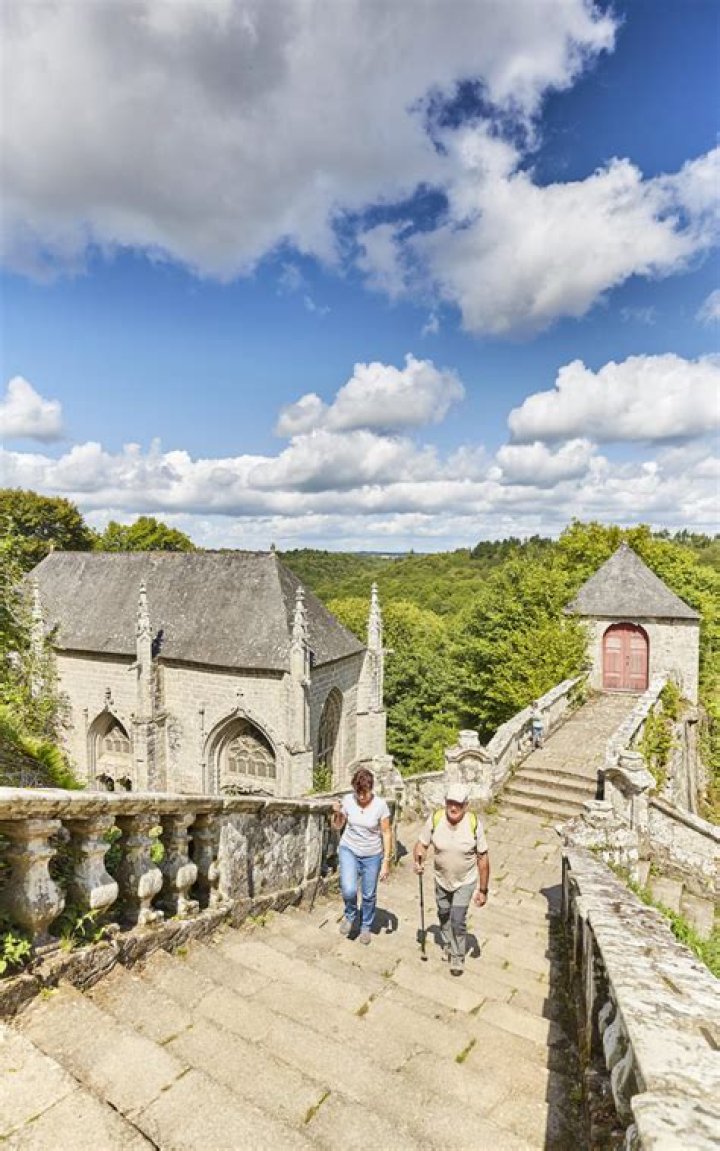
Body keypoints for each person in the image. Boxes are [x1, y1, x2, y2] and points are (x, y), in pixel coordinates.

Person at [413, 784, 489, 976]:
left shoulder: (473, 824)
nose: (453, 808)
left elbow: (483, 858)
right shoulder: (436, 819)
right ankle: (448, 942)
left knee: (457, 918)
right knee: (443, 913)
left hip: (465, 880)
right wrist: (418, 860)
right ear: (445, 802)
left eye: (458, 804)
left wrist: (483, 890)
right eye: (450, 803)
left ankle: (457, 956)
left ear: (466, 805)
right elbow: (421, 845)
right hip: (442, 879)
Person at [331, 767, 392, 945]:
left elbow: (386, 833)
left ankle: (366, 925)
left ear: (371, 788)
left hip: (372, 854)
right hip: (349, 849)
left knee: (369, 894)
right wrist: (337, 812)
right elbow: (337, 826)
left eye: (365, 792)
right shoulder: (348, 800)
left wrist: (386, 861)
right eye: (358, 792)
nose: (361, 796)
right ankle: (350, 915)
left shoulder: (380, 805)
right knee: (348, 889)